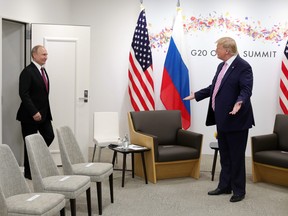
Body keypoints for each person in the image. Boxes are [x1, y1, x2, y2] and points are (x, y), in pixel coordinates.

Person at [184, 37, 254, 202]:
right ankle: (225, 186)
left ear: (227, 50)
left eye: (218, 48)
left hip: (236, 119)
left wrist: (239, 102)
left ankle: (239, 191)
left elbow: (246, 89)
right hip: (222, 119)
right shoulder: (221, 66)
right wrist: (196, 95)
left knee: (236, 156)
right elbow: (214, 87)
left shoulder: (243, 66)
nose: (216, 51)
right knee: (225, 155)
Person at [16, 45, 54, 180]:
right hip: (29, 116)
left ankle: (37, 159)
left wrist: (44, 112)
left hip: (44, 114)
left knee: (49, 136)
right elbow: (24, 94)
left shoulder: (43, 71)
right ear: (34, 55)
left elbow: (43, 94)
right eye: (43, 54)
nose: (46, 57)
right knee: (29, 144)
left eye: (46, 54)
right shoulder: (27, 72)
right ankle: (29, 173)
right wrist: (34, 112)